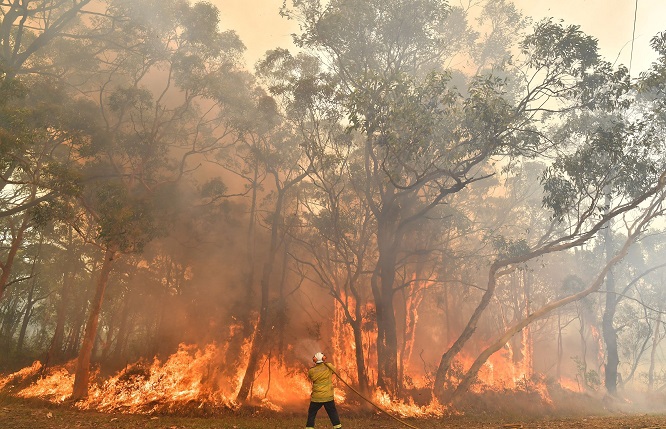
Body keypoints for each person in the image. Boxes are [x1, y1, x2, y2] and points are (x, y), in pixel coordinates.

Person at [306, 352, 342, 429]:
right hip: (328, 397)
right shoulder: (329, 367)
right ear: (324, 358)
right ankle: (338, 427)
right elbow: (334, 371)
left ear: (314, 360)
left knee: (312, 413)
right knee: (333, 413)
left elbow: (310, 377)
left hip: (317, 397)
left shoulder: (312, 371)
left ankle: (309, 428)